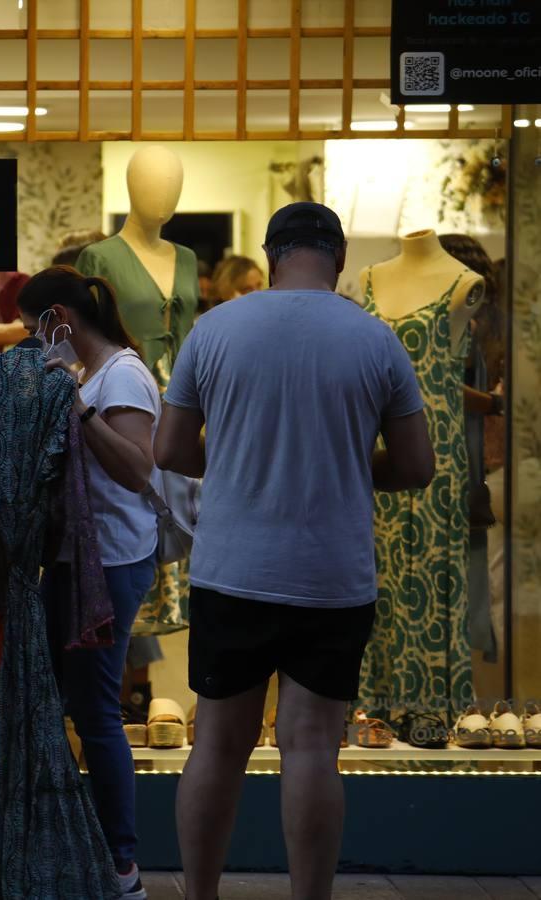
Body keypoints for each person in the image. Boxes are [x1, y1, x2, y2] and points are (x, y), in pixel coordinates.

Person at [155, 203, 434, 900]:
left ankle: (200, 896)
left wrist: (237, 454)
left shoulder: (214, 330)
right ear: (338, 258)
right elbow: (417, 465)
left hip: (232, 570)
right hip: (332, 577)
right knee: (311, 747)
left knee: (218, 744)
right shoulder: (376, 340)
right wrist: (345, 461)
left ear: (272, 254)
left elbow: (167, 451)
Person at [27, 266, 161, 900]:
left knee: (96, 712)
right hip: (81, 559)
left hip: (110, 561)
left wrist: (75, 409)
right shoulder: (93, 374)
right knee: (59, 706)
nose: (35, 343)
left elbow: (137, 470)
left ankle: (121, 865)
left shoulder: (123, 375)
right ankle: (44, 850)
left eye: (37, 329)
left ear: (61, 319)